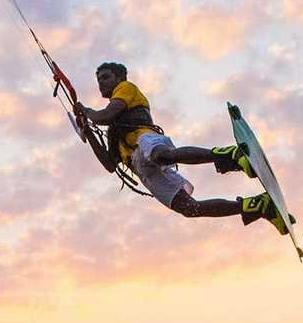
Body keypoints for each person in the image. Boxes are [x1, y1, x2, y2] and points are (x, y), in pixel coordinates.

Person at [76, 62, 290, 234]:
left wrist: (86, 111)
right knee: (189, 208)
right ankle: (256, 205)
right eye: (99, 80)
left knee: (162, 155)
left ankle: (231, 155)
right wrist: (88, 133)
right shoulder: (113, 132)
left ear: (119, 78)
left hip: (145, 140)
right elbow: (109, 164)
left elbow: (106, 115)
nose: (101, 83)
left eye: (105, 77)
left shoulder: (126, 89)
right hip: (140, 167)